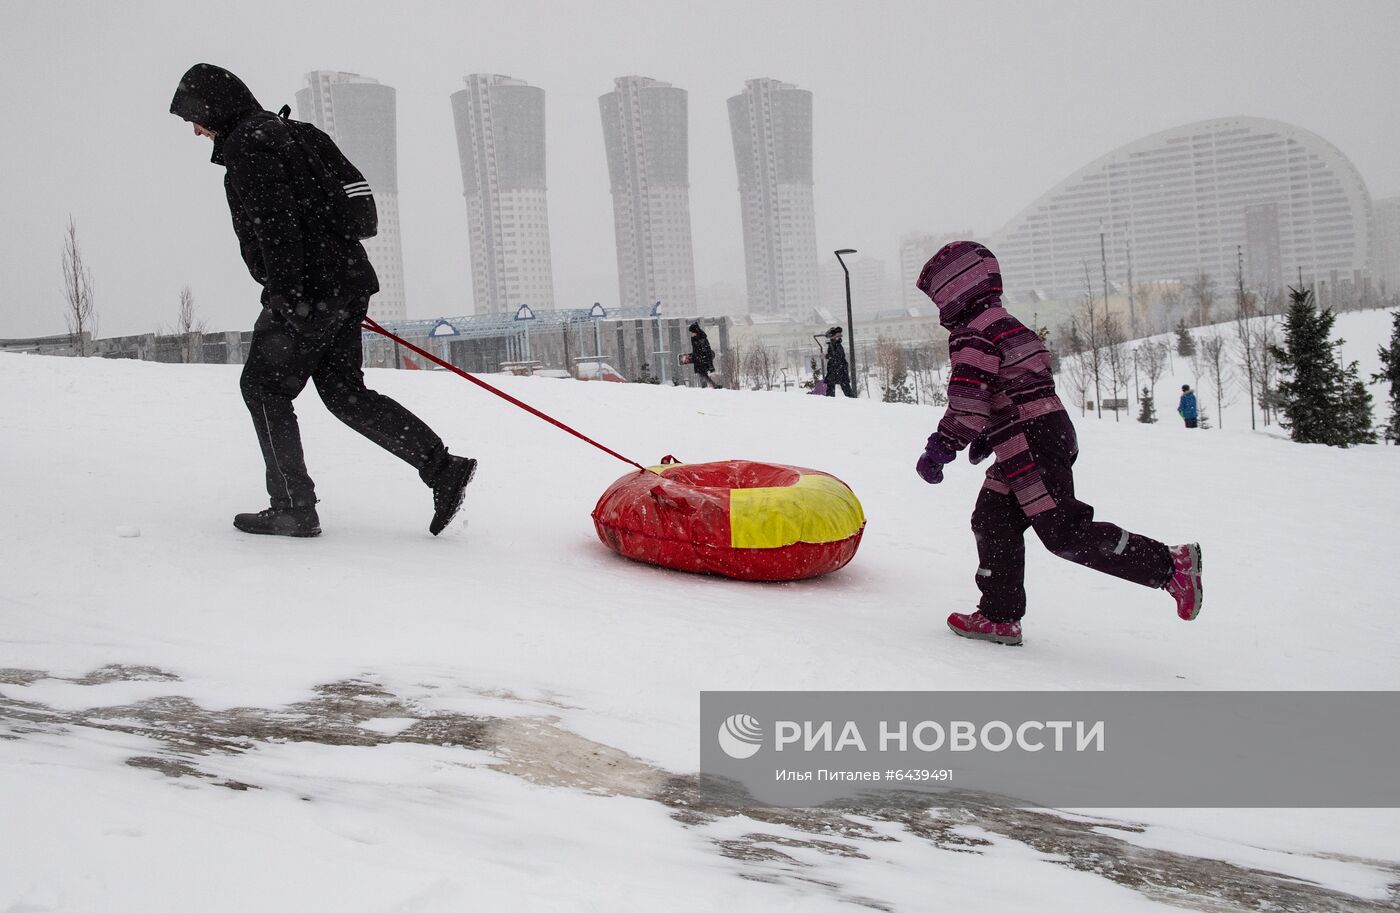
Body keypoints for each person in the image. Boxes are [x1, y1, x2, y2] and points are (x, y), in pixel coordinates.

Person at [170, 63, 476, 538]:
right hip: (348, 281)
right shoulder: (299, 133)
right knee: (345, 394)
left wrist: (292, 296)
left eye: (195, 116)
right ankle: (442, 468)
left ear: (215, 106)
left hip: (305, 293)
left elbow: (276, 224)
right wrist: (334, 273)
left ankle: (293, 506)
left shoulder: (247, 147)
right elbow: (357, 203)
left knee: (264, 388)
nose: (195, 128)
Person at [912, 241, 1202, 646]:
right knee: (993, 519)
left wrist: (941, 448)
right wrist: (988, 434)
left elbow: (968, 405)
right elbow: (1020, 383)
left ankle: (1169, 565)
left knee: (1063, 531)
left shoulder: (972, 335)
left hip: (1028, 442)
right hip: (1041, 433)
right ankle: (998, 615)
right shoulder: (1009, 324)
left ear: (953, 293)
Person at [822, 326, 855, 398]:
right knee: (832, 386)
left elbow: (837, 357)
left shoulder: (836, 345)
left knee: (844, 387)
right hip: (836, 369)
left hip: (838, 369)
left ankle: (853, 401)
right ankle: (831, 400)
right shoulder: (834, 344)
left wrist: (827, 356)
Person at [687, 322, 721, 388]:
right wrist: (692, 356)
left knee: (703, 375)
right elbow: (696, 351)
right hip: (699, 361)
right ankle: (713, 386)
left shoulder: (702, 339)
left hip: (703, 361)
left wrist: (711, 366)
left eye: (692, 332)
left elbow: (707, 352)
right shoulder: (694, 339)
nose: (691, 334)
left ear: (696, 331)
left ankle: (710, 388)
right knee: (703, 376)